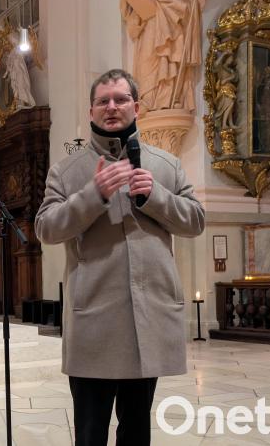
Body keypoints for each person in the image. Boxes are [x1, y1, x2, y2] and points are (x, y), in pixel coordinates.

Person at [34, 69, 204, 446]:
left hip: (147, 323)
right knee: (90, 435)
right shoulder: (67, 171)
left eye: (121, 99)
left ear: (136, 107)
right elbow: (45, 228)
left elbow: (196, 221)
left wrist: (157, 196)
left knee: (136, 434)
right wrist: (92, 194)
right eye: (103, 101)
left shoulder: (166, 165)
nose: (112, 107)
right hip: (94, 325)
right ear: (91, 111)